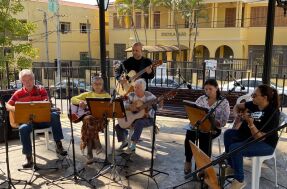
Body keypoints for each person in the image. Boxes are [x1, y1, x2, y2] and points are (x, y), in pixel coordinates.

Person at [6, 69, 67, 168]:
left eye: (30, 79)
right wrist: (15, 108)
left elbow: (47, 102)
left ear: (34, 79)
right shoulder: (18, 93)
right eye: (25, 80)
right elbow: (7, 105)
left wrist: (47, 103)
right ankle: (28, 156)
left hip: (43, 120)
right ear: (22, 81)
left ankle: (58, 144)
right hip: (29, 122)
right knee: (22, 128)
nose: (28, 82)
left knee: (55, 115)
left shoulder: (41, 89)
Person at [224, 85, 280, 189]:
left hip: (265, 144)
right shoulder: (253, 104)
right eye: (252, 95)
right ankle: (232, 166)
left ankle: (239, 180)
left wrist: (251, 124)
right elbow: (237, 106)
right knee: (228, 134)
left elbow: (261, 138)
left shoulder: (273, 113)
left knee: (235, 148)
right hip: (249, 137)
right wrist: (237, 115)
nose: (252, 97)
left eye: (255, 95)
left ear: (264, 97)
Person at [184, 79, 230, 175]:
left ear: (217, 88)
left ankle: (204, 166)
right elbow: (194, 111)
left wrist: (213, 121)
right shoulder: (201, 99)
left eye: (210, 89)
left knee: (205, 137)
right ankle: (188, 161)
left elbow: (223, 122)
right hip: (199, 125)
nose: (207, 91)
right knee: (190, 134)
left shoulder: (223, 102)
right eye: (206, 89)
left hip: (213, 128)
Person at [71, 76, 110, 164]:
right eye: (95, 84)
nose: (97, 86)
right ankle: (97, 143)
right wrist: (80, 102)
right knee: (88, 120)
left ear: (102, 85)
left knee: (88, 123)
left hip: (100, 120)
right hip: (89, 119)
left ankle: (89, 154)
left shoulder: (106, 95)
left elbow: (108, 109)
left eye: (99, 84)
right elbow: (73, 99)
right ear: (92, 85)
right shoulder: (87, 94)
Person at [115, 79, 156, 154]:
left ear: (143, 88)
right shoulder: (132, 95)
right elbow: (123, 104)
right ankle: (124, 142)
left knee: (139, 122)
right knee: (118, 126)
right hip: (133, 119)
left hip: (148, 119)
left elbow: (156, 109)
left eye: (138, 88)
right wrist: (130, 106)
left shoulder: (150, 96)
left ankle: (133, 145)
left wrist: (147, 112)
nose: (135, 89)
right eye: (135, 87)